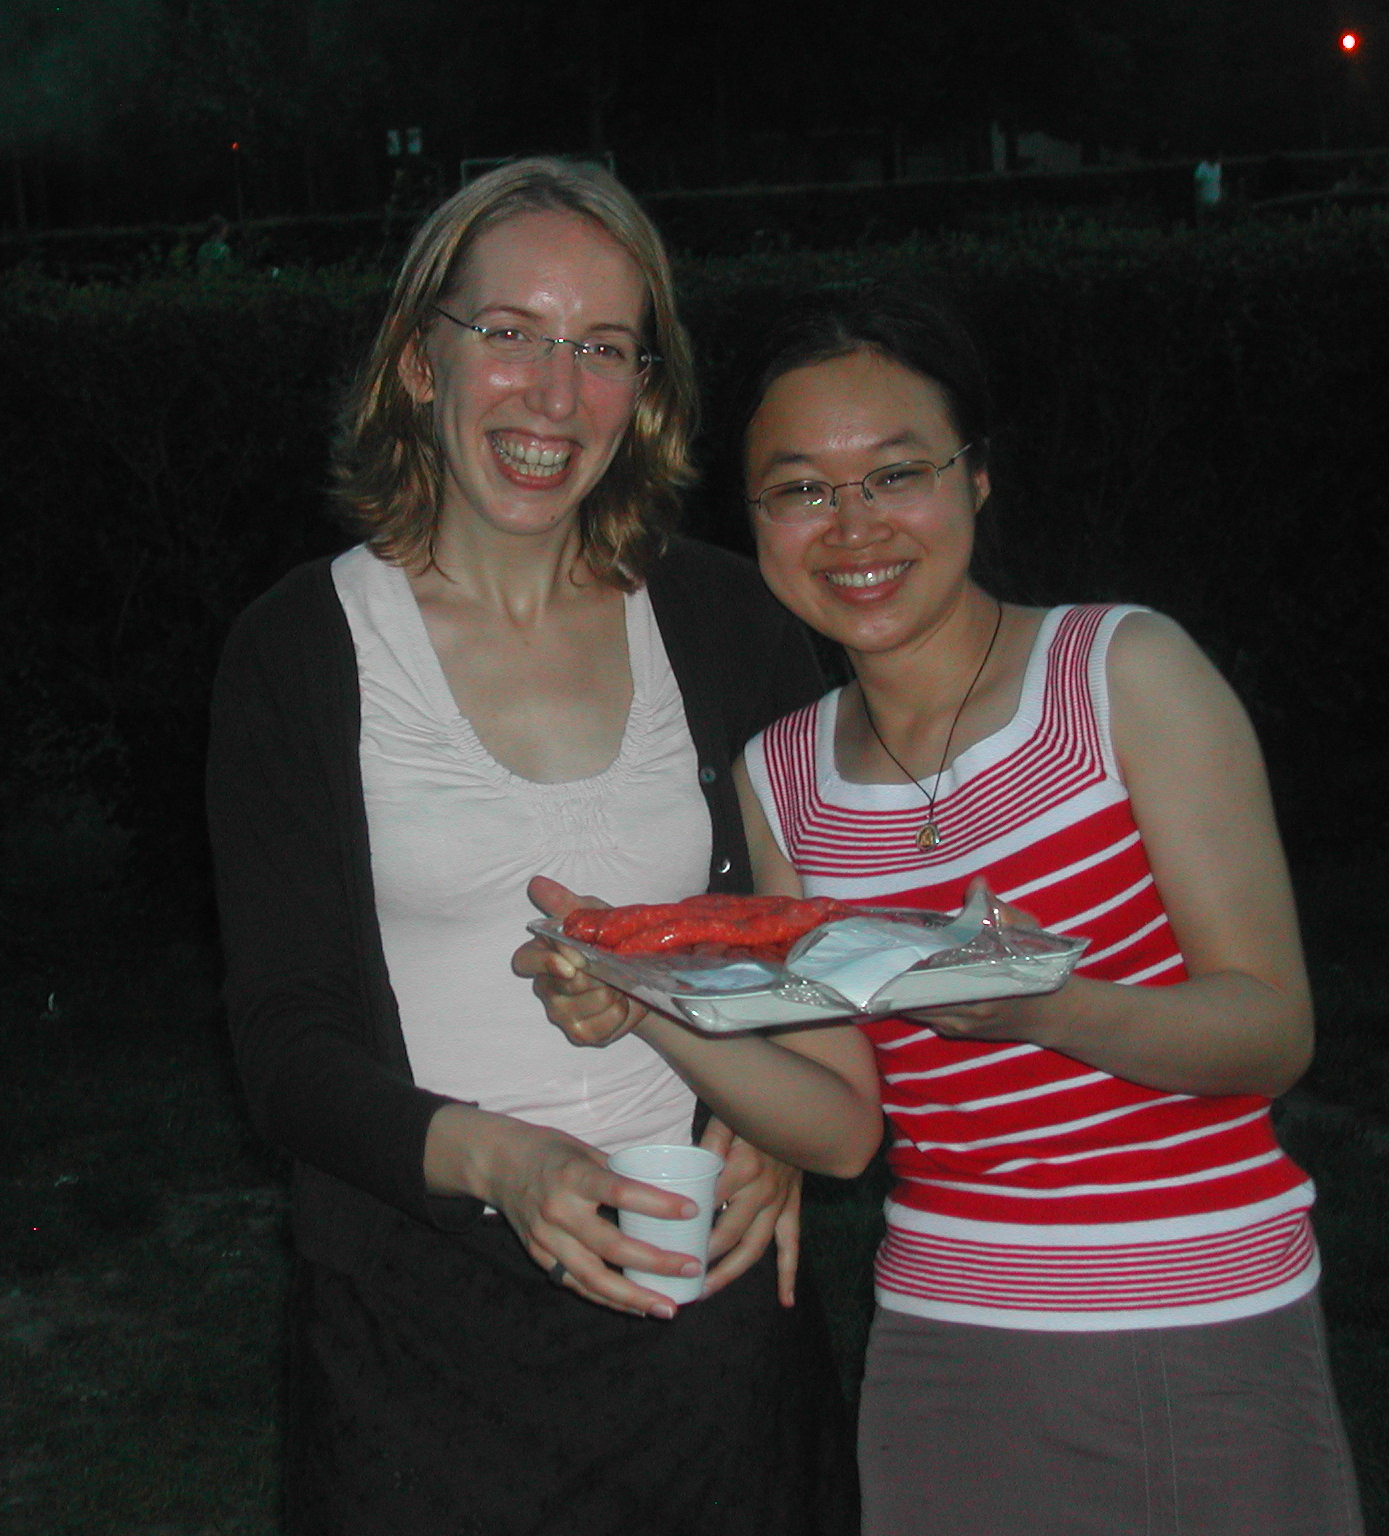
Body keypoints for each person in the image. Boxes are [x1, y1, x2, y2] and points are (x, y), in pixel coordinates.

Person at [522, 284, 1365, 1535]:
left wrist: (1044, 1007)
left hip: (1192, 1318)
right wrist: (642, 996)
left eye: (896, 472)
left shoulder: (1120, 677)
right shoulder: (781, 778)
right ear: (753, 521)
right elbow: (840, 1129)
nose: (851, 526)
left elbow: (1267, 1029)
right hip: (941, 1353)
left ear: (974, 477)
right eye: (798, 489)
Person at [205, 159, 858, 1535]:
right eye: (510, 333)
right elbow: (285, 1048)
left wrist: (778, 1123)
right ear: (418, 358)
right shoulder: (297, 653)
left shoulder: (729, 625)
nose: (555, 396)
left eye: (603, 348)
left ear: (644, 390)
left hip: (705, 1309)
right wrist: (502, 1161)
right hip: (417, 1337)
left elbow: (815, 949)